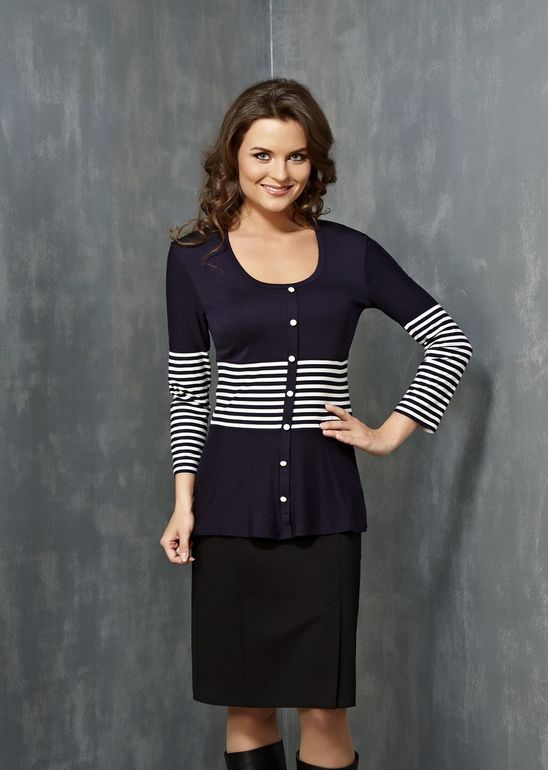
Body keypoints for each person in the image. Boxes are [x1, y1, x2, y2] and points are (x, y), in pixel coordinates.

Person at [159, 77, 473, 770]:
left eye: (296, 156)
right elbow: (187, 392)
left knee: (324, 710)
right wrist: (183, 503)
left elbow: (448, 341)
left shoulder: (351, 253)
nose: (280, 173)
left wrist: (387, 434)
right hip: (229, 508)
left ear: (314, 162)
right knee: (246, 705)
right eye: (263, 155)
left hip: (324, 505)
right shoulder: (193, 259)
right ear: (233, 156)